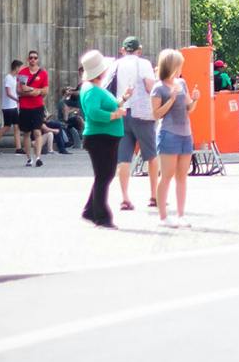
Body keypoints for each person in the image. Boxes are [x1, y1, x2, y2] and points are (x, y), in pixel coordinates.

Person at [77, 49, 129, 229]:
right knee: (104, 176)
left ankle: (91, 210)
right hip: (100, 137)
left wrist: (122, 99)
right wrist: (115, 115)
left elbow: (108, 104)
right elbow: (93, 113)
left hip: (104, 136)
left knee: (104, 175)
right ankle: (101, 216)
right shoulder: (91, 89)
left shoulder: (93, 87)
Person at [108, 36, 159, 211]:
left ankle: (125, 198)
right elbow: (149, 86)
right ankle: (154, 195)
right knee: (151, 155)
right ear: (139, 49)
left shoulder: (115, 65)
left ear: (123, 49)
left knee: (123, 158)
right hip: (141, 113)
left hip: (121, 112)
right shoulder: (143, 63)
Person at [151, 48, 198, 229]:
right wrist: (170, 99)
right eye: (178, 65)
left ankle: (181, 214)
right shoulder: (158, 87)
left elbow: (189, 108)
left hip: (186, 133)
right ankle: (163, 216)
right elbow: (156, 114)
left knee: (182, 177)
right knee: (167, 176)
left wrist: (195, 100)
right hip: (168, 133)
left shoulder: (182, 83)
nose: (180, 69)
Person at [17, 51, 50, 168]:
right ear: (28, 59)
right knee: (26, 133)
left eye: (35, 58)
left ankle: (38, 157)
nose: (33, 60)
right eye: (31, 58)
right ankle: (29, 158)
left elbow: (45, 91)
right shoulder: (23, 72)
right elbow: (19, 90)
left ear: (38, 59)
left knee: (37, 131)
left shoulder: (43, 73)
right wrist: (34, 91)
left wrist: (32, 90)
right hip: (25, 107)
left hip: (37, 106)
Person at [0, 61, 21, 153]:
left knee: (16, 126)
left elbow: (15, 90)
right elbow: (8, 93)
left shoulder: (14, 78)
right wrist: (17, 99)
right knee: (7, 127)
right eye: (19, 68)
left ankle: (18, 148)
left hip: (13, 106)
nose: (20, 70)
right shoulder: (8, 78)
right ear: (16, 67)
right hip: (8, 107)